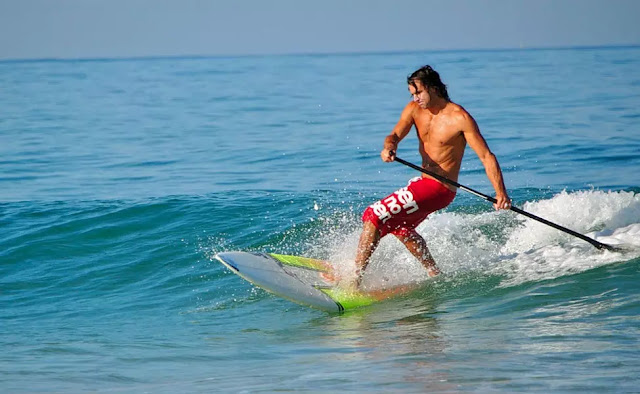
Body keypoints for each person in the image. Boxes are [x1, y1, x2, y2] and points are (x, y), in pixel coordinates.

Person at [354, 65, 510, 287]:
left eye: (418, 92)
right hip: (423, 182)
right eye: (412, 94)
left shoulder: (459, 118)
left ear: (433, 88)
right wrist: (390, 146)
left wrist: (500, 193)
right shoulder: (414, 110)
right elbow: (395, 134)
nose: (415, 98)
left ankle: (353, 280)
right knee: (401, 227)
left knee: (374, 215)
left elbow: (486, 156)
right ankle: (434, 274)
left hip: (440, 187)